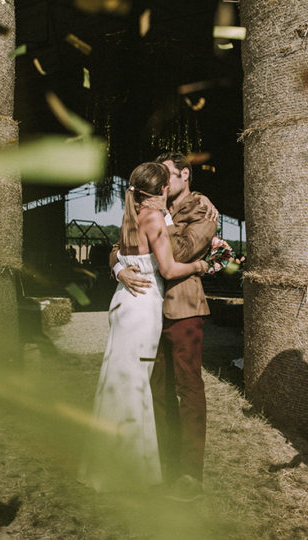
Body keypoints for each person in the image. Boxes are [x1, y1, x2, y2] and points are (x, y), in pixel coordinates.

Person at [78, 162, 208, 493]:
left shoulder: (141, 212)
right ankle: (135, 468)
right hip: (144, 306)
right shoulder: (153, 215)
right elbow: (167, 264)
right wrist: (201, 265)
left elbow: (124, 249)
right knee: (137, 385)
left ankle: (119, 462)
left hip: (138, 306)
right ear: (162, 187)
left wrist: (122, 265)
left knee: (124, 381)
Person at [111, 152, 218, 500]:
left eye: (168, 174)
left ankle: (189, 474)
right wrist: (120, 269)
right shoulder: (149, 213)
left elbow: (184, 250)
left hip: (183, 310)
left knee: (187, 390)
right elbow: (117, 248)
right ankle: (159, 464)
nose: (163, 181)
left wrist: (161, 220)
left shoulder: (200, 208)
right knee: (154, 390)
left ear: (184, 175)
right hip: (149, 313)